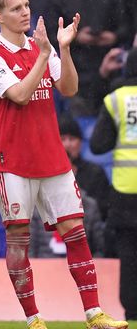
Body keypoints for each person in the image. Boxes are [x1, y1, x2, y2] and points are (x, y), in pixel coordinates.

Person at [0, 0, 125, 329]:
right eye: (16, 8)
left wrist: (63, 49)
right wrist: (44, 54)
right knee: (19, 240)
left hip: (52, 157)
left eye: (26, 5)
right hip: (13, 161)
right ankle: (33, 318)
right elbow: (20, 95)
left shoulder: (42, 47)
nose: (25, 12)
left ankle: (93, 314)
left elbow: (69, 89)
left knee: (76, 232)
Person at [46, 0, 129, 117]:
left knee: (111, 125)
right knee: (78, 127)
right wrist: (75, 38)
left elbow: (126, 26)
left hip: (109, 68)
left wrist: (113, 36)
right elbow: (49, 34)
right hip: (76, 70)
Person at [90, 48, 137, 320]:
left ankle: (132, 311)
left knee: (129, 257)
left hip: (125, 191)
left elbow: (97, 146)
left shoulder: (116, 100)